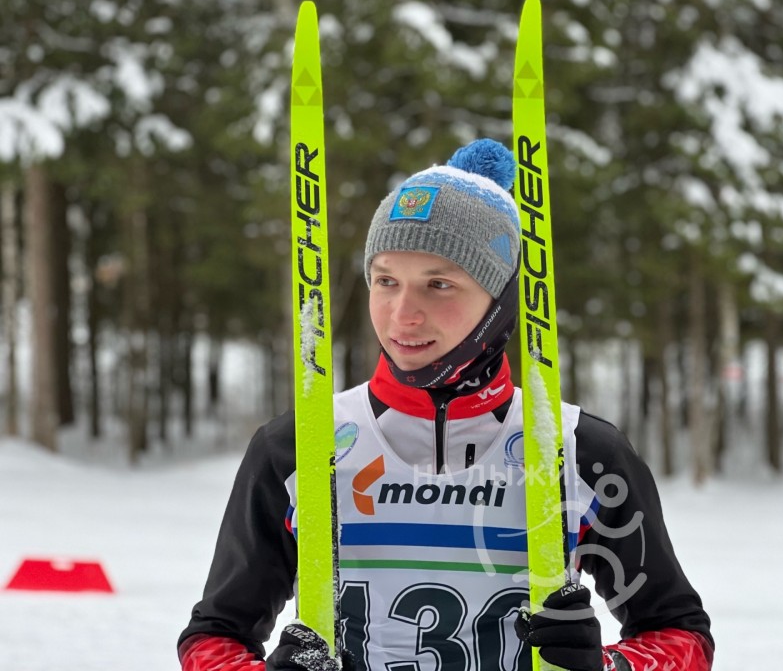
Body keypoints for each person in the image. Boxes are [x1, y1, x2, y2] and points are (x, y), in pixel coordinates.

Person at [178, 139, 714, 671]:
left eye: (439, 284)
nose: (402, 314)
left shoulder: (579, 452)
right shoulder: (299, 447)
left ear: (499, 298)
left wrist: (612, 668)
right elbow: (212, 637)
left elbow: (680, 635)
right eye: (385, 281)